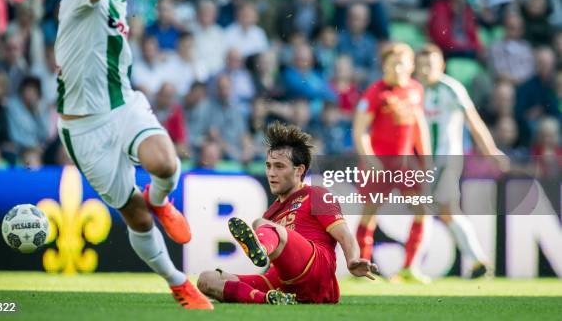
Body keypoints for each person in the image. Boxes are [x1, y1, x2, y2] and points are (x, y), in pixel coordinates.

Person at [53, 0, 212, 310]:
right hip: (84, 128)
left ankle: (162, 199)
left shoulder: (119, 0)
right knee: (137, 218)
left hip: (123, 104)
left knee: (165, 163)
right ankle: (177, 282)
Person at [196, 121, 378, 304]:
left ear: (299, 170)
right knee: (207, 279)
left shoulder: (317, 194)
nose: (271, 173)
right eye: (268, 166)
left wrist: (353, 260)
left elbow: (345, 235)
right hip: (285, 282)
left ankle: (260, 248)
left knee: (260, 224)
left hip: (316, 271)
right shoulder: (271, 213)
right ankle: (269, 299)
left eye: (279, 166)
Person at [414, 44, 509, 278]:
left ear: (442, 65)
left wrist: (491, 150)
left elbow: (473, 121)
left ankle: (412, 266)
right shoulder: (413, 89)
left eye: (431, 65)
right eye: (422, 65)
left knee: (428, 209)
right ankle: (478, 261)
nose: (426, 70)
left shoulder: (451, 88)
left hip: (447, 160)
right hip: (420, 163)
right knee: (445, 211)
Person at [352, 42, 432, 283]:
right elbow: (360, 130)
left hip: (406, 164)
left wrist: (426, 158)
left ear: (410, 66)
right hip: (379, 164)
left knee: (422, 210)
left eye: (401, 63)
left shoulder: (416, 90)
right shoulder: (375, 92)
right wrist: (369, 159)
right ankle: (361, 267)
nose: (396, 68)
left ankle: (409, 267)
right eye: (391, 63)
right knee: (370, 214)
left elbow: (419, 125)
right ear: (384, 66)